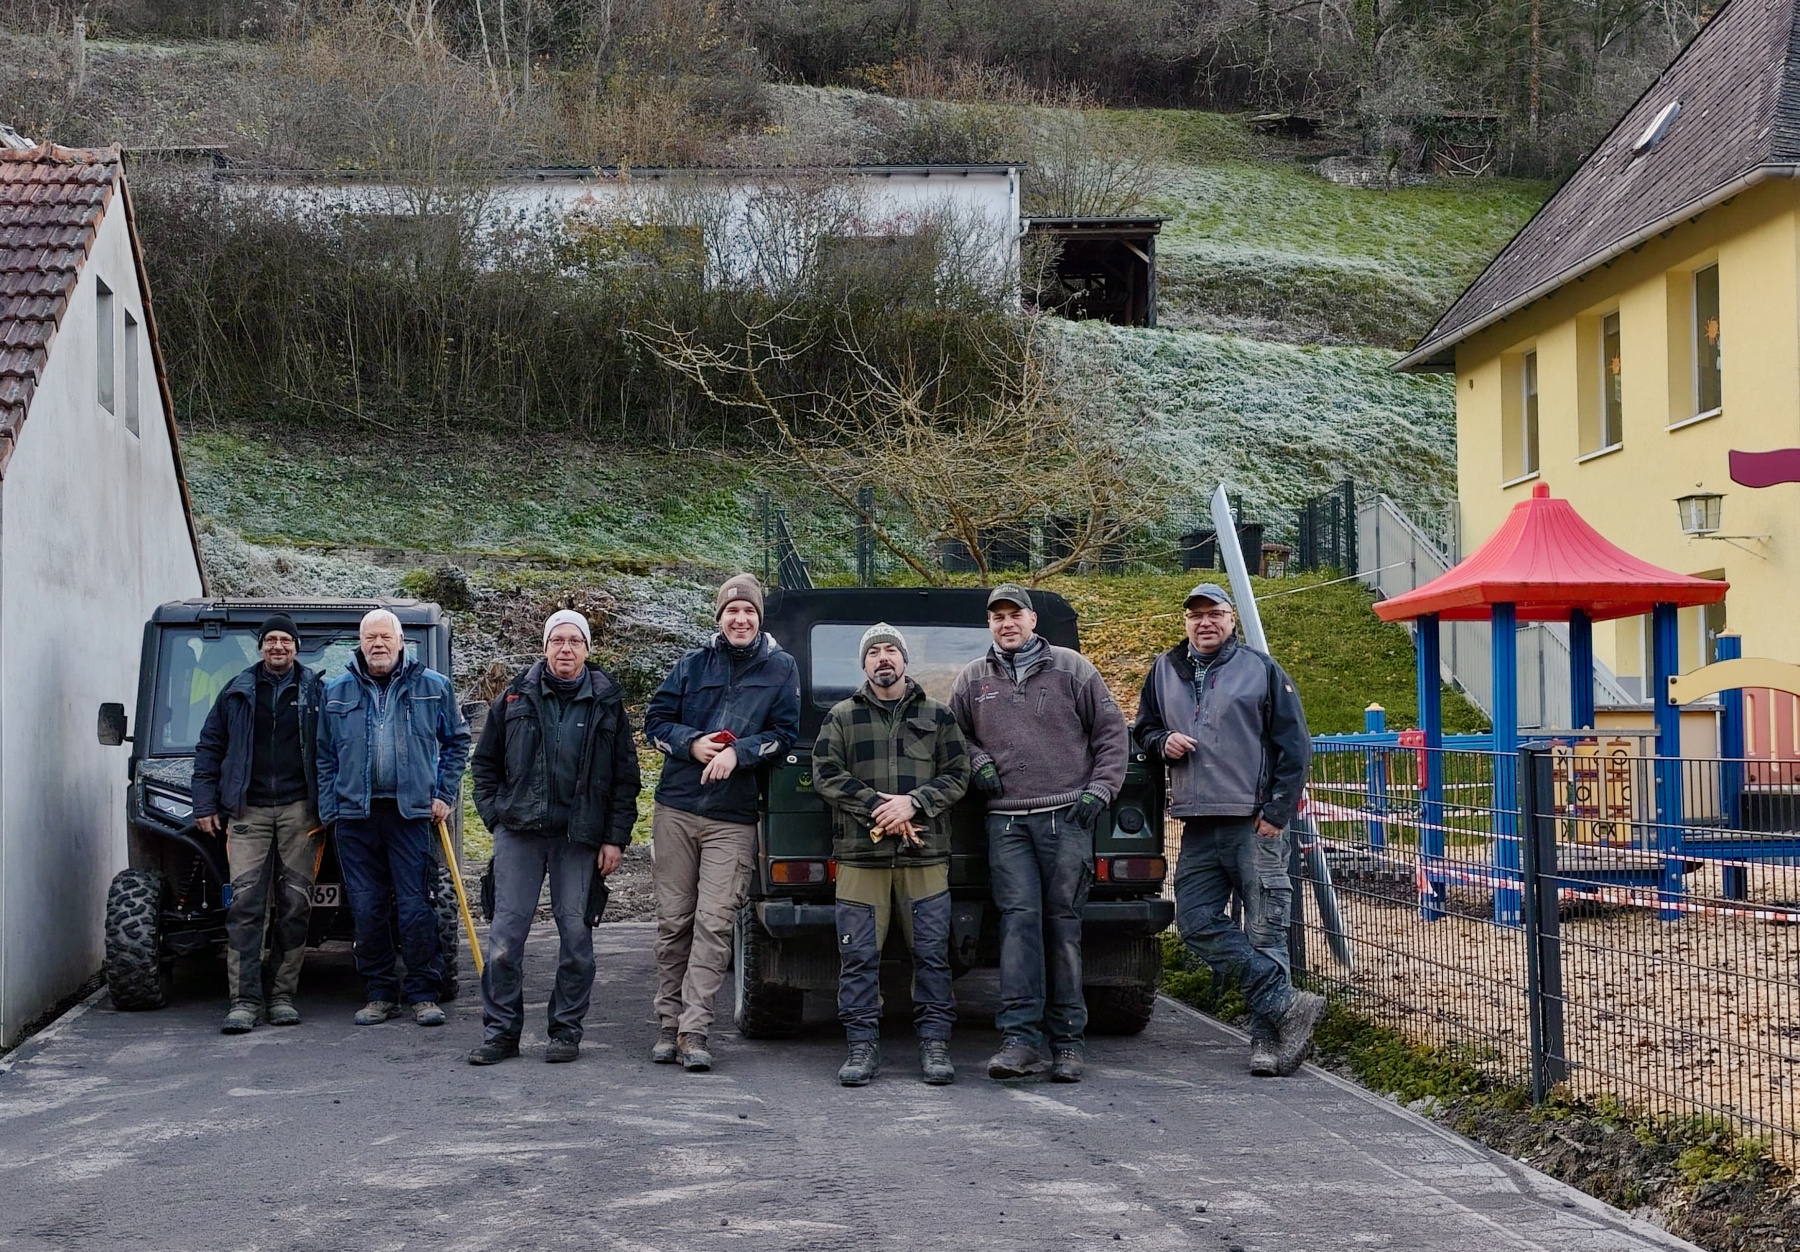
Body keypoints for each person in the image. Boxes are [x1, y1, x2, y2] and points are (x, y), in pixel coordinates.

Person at [1131, 582, 1323, 1077]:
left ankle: (1267, 1041)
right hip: (1197, 823)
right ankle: (1286, 1002)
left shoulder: (1261, 669)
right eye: (1195, 615)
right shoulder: (1163, 670)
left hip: (1254, 823)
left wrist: (1277, 813)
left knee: (1265, 932)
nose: (1205, 622)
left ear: (1230, 618)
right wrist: (1161, 741)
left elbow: (1295, 746)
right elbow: (1143, 729)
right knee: (1195, 921)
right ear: (1185, 622)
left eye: (1214, 613)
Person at [949, 585, 1128, 1083]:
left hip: (1067, 818)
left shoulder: (1073, 669)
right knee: (1018, 928)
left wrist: (1101, 790)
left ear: (1032, 620)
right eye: (998, 617)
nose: (1007, 624)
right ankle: (1019, 1041)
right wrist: (977, 761)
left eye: (1015, 615)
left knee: (1063, 928)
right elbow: (953, 734)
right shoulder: (972, 678)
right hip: (1006, 823)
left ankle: (1067, 1045)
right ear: (989, 625)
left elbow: (1112, 733)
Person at [465, 610, 641, 1065]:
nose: (566, 648)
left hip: (578, 837)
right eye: (557, 640)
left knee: (576, 940)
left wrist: (615, 838)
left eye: (574, 641)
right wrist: (496, 818)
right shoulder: (513, 698)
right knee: (504, 941)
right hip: (519, 833)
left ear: (587, 649)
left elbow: (625, 779)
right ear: (545, 647)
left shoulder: (607, 704)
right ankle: (501, 1034)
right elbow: (484, 765)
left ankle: (565, 1032)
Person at [643, 574, 800, 1072]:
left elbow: (785, 733)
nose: (740, 618)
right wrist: (691, 744)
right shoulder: (692, 664)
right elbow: (654, 723)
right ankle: (667, 1024)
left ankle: (694, 1031)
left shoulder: (781, 668)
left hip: (732, 818)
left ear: (759, 618)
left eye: (749, 611)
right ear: (719, 617)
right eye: (732, 611)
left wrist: (740, 753)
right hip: (677, 808)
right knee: (675, 922)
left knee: (713, 924)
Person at [812, 624, 972, 1086]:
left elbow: (958, 774)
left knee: (932, 955)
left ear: (904, 660)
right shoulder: (842, 716)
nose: (883, 658)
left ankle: (935, 1046)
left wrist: (915, 803)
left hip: (925, 857)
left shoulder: (938, 715)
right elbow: (826, 774)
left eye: (891, 651)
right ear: (863, 664)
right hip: (860, 856)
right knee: (859, 956)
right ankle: (861, 1047)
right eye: (874, 652)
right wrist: (880, 808)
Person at [317, 608, 471, 1028]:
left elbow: (457, 742)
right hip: (355, 817)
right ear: (360, 643)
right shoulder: (336, 691)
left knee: (416, 907)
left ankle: (423, 994)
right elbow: (324, 755)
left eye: (386, 636)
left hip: (411, 815)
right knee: (367, 909)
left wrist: (443, 794)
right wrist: (331, 809)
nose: (378, 644)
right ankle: (380, 994)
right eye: (371, 638)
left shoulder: (433, 687)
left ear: (401, 641)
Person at [192, 614, 324, 1033]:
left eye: (286, 639)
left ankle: (282, 996)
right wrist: (204, 803)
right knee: (246, 906)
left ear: (296, 647)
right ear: (261, 646)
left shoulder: (317, 692)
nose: (278, 646)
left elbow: (335, 749)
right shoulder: (237, 692)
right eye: (271, 640)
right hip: (247, 812)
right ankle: (244, 1001)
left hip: (300, 812)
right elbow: (210, 748)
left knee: (296, 905)